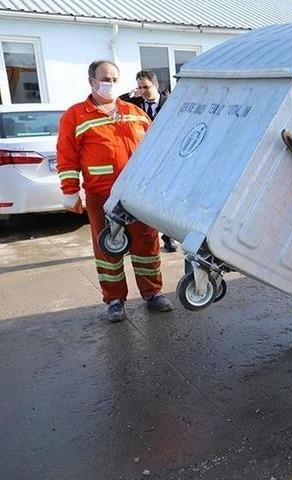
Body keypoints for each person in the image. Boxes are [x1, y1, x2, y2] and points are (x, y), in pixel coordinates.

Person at [56, 60, 175, 322]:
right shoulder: (75, 116)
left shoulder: (135, 113)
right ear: (92, 81)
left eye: (114, 79)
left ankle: (152, 293)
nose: (110, 83)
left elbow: (157, 152)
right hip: (102, 198)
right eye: (105, 78)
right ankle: (115, 300)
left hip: (137, 196)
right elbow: (66, 157)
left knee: (147, 244)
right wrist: (70, 191)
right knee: (108, 249)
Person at [119, 70, 177, 253]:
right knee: (139, 198)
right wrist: (130, 94)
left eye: (146, 87)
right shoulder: (134, 102)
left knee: (165, 198)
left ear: (156, 85)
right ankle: (135, 236)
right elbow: (116, 102)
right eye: (140, 87)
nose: (143, 90)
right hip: (142, 158)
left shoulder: (171, 102)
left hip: (166, 158)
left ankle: (168, 237)